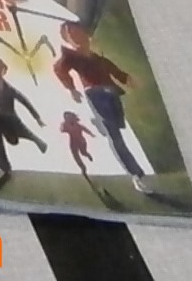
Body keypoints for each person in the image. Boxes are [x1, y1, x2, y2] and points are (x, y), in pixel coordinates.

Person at [51, 21, 149, 179]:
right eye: (70, 35)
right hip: (96, 95)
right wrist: (72, 89)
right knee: (115, 134)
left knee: (117, 127)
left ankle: (101, 124)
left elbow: (115, 71)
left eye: (76, 33)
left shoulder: (98, 59)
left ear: (86, 35)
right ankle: (136, 172)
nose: (75, 37)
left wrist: (129, 80)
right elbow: (59, 69)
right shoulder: (71, 57)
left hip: (112, 95)